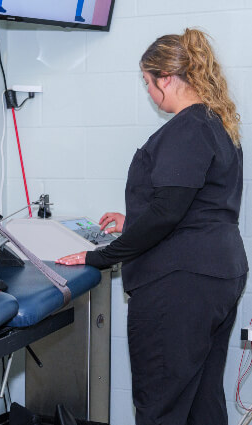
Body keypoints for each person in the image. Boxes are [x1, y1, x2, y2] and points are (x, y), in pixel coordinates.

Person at [57, 28, 248, 425]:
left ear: (166, 78)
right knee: (200, 401)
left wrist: (99, 256)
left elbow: (167, 213)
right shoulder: (217, 123)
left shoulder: (189, 127)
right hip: (216, 275)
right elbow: (197, 204)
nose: (149, 92)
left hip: (179, 283)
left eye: (147, 82)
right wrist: (134, 220)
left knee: (160, 404)